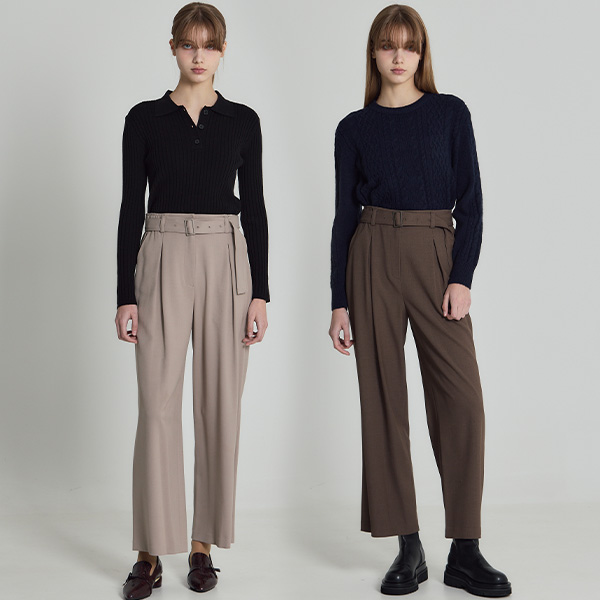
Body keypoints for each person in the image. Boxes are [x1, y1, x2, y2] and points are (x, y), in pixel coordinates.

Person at [328, 4, 511, 597]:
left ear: (422, 53)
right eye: (388, 45)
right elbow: (343, 216)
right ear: (374, 53)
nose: (399, 56)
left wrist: (462, 276)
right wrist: (338, 300)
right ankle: (407, 545)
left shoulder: (449, 113)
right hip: (371, 252)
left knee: (463, 401)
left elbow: (472, 203)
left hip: (436, 252)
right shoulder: (354, 128)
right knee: (383, 401)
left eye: (409, 45)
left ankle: (466, 549)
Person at [114, 3, 269, 598]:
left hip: (227, 256)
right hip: (161, 251)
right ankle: (149, 551)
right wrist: (125, 294)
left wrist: (261, 293)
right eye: (188, 44)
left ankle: (203, 546)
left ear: (222, 50)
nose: (198, 56)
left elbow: (255, 208)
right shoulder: (145, 118)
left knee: (219, 405)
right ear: (173, 48)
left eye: (208, 45)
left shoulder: (243, 121)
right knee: (156, 405)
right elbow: (130, 205)